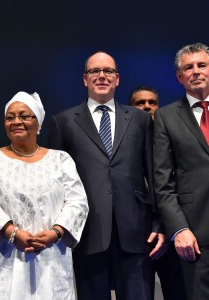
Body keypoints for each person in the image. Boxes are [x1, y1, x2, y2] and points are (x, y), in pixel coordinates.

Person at [48, 51, 166, 300]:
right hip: (86, 232)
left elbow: (154, 174)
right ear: (84, 79)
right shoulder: (63, 121)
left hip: (136, 231)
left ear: (118, 79)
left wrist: (159, 221)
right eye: (95, 71)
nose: (102, 76)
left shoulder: (140, 119)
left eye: (108, 71)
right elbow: (55, 183)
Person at [0, 91, 89, 300]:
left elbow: (78, 202)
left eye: (24, 116)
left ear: (38, 122)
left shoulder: (61, 159)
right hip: (4, 259)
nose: (16, 121)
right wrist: (12, 233)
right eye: (10, 117)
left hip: (51, 257)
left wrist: (56, 233)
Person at [153, 42, 209, 300]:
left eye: (202, 65)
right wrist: (178, 229)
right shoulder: (166, 117)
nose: (196, 71)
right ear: (179, 76)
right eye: (189, 67)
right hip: (195, 238)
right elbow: (162, 182)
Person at [129, 86, 186, 300]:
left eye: (152, 102)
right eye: (140, 103)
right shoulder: (124, 144)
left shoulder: (175, 139)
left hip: (173, 232)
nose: (146, 107)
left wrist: (165, 225)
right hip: (138, 235)